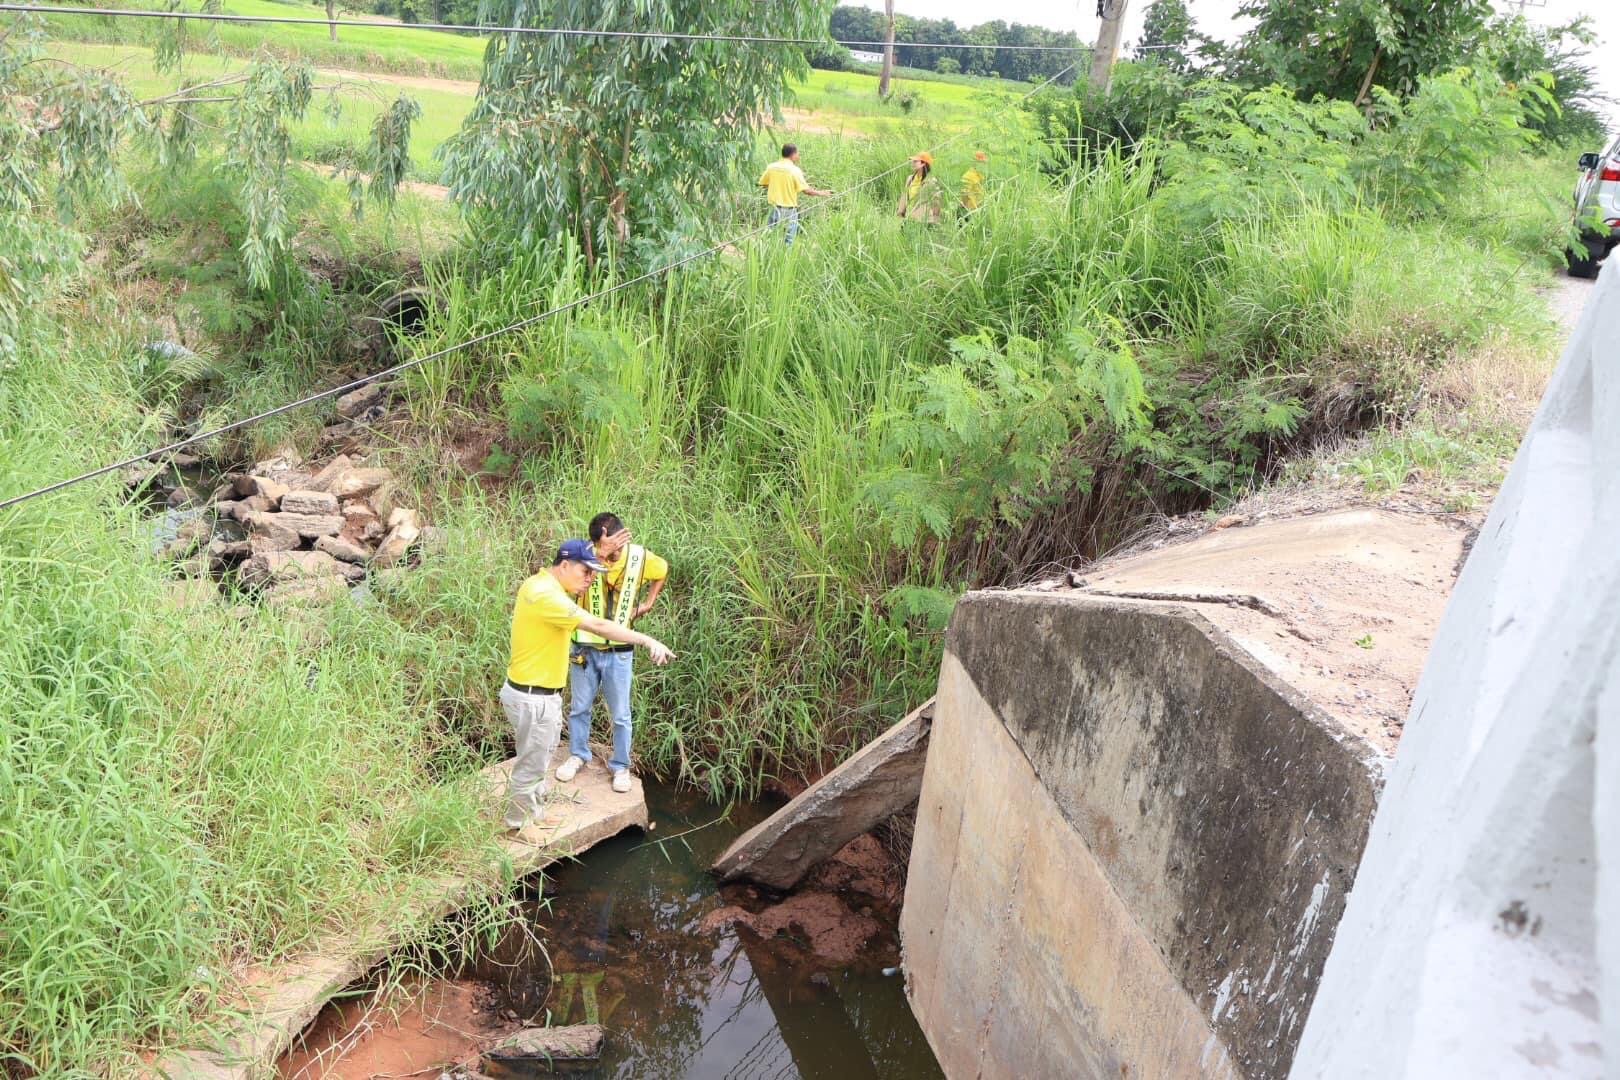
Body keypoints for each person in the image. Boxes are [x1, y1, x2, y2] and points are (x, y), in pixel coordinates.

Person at [501, 539, 674, 830]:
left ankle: (536, 813)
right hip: (533, 697)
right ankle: (519, 825)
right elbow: (598, 625)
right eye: (585, 572)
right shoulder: (545, 595)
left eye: (593, 573)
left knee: (540, 759)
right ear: (564, 565)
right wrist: (646, 640)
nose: (590, 579)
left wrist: (600, 553)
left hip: (542, 695)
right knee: (530, 765)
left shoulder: (545, 586)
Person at [555, 512, 670, 794]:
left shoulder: (639, 557)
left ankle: (620, 766)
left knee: (620, 714)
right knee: (580, 707)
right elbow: (565, 589)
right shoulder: (584, 556)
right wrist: (600, 555)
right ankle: (578, 754)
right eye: (607, 548)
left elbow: (662, 570)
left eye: (616, 549)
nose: (613, 554)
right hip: (584, 648)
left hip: (619, 652)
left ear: (623, 537)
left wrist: (648, 603)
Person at [759, 143, 831, 246]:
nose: (798, 156)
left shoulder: (771, 167)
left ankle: (767, 253)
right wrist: (822, 193)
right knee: (788, 239)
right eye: (797, 154)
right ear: (792, 155)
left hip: (773, 208)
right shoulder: (795, 170)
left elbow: (763, 183)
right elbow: (807, 191)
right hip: (789, 210)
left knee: (769, 237)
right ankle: (786, 255)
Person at [897, 151, 942, 224]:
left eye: (915, 161)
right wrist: (900, 213)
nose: (912, 163)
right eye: (912, 161)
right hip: (909, 218)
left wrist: (935, 220)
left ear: (923, 164)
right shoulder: (910, 179)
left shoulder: (931, 181)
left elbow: (936, 202)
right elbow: (904, 196)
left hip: (924, 220)